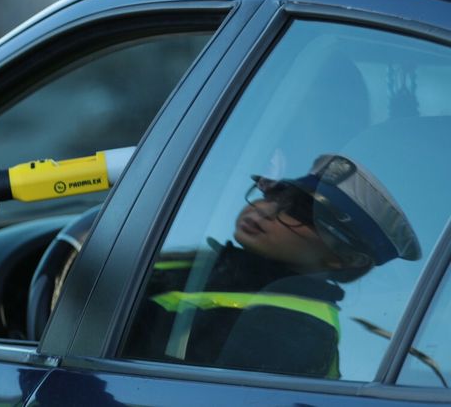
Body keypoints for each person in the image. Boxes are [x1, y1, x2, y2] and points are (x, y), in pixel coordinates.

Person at [126, 153, 420, 378]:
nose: (265, 211)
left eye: (299, 212)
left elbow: (165, 372)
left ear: (343, 257)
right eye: (274, 195)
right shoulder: (211, 265)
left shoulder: (297, 330)